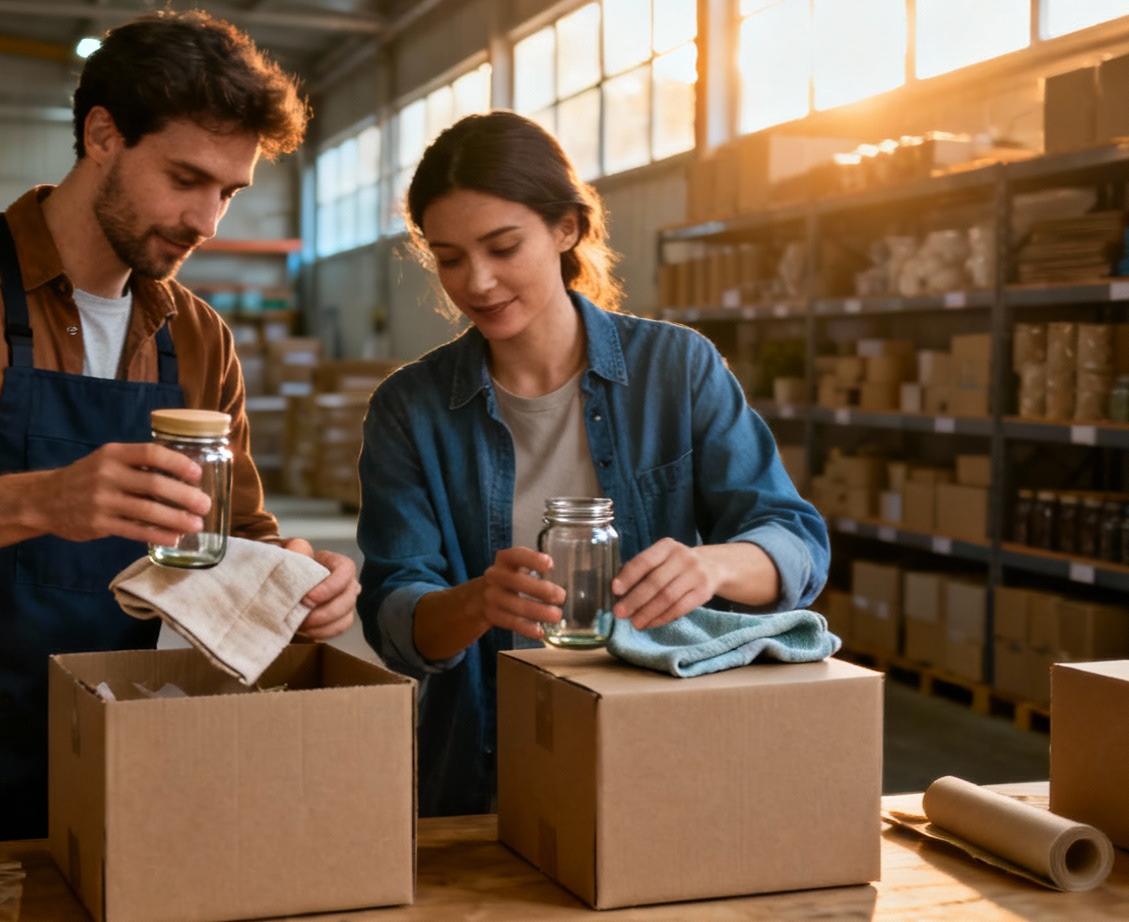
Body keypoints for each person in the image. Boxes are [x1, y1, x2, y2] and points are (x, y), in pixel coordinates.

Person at [0, 11, 359, 840]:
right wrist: (42, 500)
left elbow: (234, 532)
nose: (208, 222)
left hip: (111, 749)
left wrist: (297, 578)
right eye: (186, 178)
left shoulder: (198, 339)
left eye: (228, 192)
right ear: (102, 135)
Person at [355, 111, 829, 817]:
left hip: (659, 748)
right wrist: (476, 602)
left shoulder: (679, 368)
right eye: (449, 258)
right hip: (484, 764)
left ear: (566, 228)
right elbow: (394, 619)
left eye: (503, 247)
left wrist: (711, 567)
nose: (478, 281)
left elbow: (796, 542)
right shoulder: (409, 409)